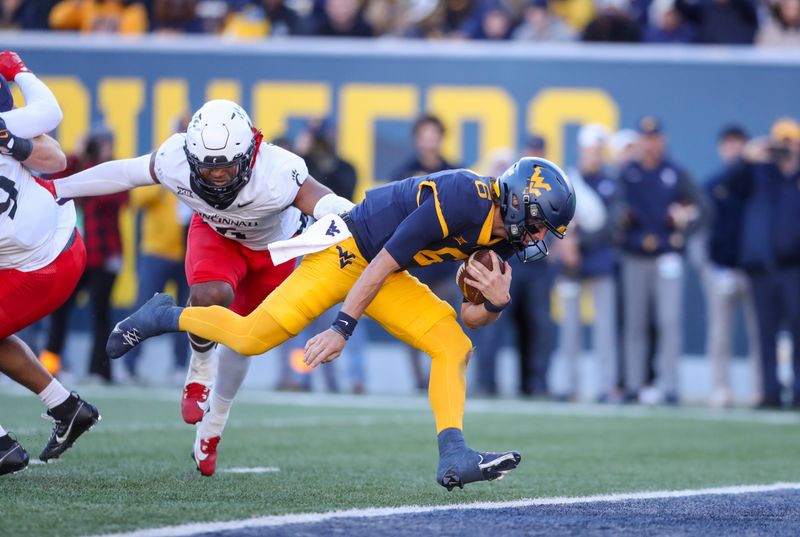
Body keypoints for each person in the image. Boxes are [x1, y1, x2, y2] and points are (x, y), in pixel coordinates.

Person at [106, 157, 577, 489]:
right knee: (252, 337)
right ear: (519, 202)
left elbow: (470, 320)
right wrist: (342, 328)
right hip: (348, 252)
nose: (538, 238)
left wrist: (495, 303)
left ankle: (454, 453)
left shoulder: (506, 236)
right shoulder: (463, 197)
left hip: (385, 271)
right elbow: (382, 261)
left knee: (453, 345)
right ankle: (164, 314)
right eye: (538, 225)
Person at [46, 98, 353, 471]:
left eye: (225, 166)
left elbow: (327, 204)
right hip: (217, 235)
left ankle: (213, 426)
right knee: (209, 295)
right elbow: (126, 173)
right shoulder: (176, 156)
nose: (217, 176)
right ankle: (200, 371)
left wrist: (351, 215)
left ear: (250, 153)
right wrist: (58, 189)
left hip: (274, 251)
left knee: (246, 340)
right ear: (191, 158)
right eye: (206, 169)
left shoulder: (278, 170)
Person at [0, 50, 100, 476]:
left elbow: (55, 157)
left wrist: (14, 142)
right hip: (55, 243)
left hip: (40, 264)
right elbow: (55, 156)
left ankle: (2, 449)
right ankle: (66, 406)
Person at [614, 116, 707, 405]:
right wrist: (621, 221)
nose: (650, 143)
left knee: (668, 322)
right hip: (634, 255)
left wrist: (683, 230)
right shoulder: (628, 173)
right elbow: (615, 209)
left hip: (667, 255)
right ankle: (633, 384)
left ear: (662, 140)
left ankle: (670, 385)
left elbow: (703, 209)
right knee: (635, 323)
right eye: (646, 137)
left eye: (654, 137)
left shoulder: (675, 172)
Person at [37, 126, 128, 383]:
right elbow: (55, 181)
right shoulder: (79, 167)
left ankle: (99, 370)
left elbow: (117, 199)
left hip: (104, 254)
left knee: (101, 313)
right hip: (79, 254)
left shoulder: (115, 169)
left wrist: (100, 162)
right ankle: (50, 364)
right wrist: (77, 156)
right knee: (60, 306)